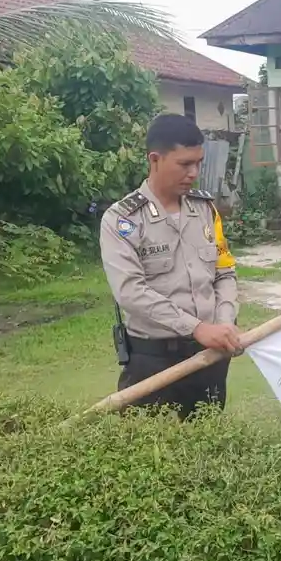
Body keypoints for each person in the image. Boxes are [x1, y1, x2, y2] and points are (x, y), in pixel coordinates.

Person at [99, 114, 242, 420]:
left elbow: (224, 271)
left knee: (208, 452)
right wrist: (197, 328)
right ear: (155, 159)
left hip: (210, 357)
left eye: (198, 163)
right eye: (184, 164)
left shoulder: (205, 210)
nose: (194, 173)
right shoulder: (122, 220)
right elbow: (130, 292)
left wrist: (225, 322)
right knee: (151, 457)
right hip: (153, 361)